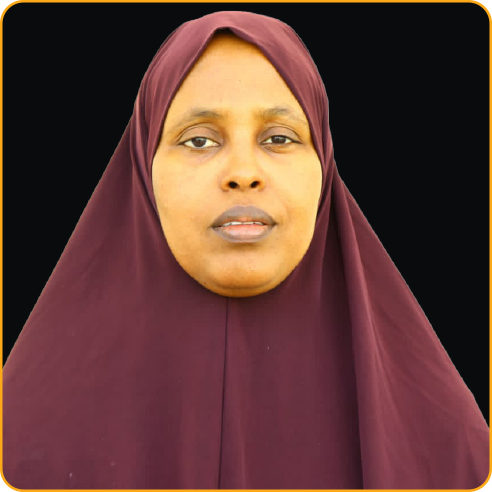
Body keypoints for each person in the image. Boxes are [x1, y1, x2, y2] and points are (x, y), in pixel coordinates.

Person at [3, 10, 489, 489]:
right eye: (198, 141)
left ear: (324, 166)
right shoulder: (21, 438)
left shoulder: (449, 446)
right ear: (144, 167)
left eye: (279, 138)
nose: (242, 172)